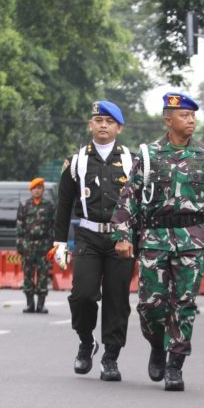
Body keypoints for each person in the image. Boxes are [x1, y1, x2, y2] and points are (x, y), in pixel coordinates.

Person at [112, 91, 204, 392]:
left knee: (185, 304)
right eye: (184, 116)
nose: (190, 120)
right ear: (168, 120)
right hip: (155, 238)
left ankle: (175, 364)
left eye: (193, 115)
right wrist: (123, 234)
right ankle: (157, 343)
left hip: (192, 238)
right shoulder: (150, 155)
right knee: (150, 306)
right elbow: (130, 196)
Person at [51, 100, 136, 382]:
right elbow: (64, 203)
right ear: (90, 124)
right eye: (98, 120)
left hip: (120, 238)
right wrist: (60, 242)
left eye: (109, 122)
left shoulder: (131, 161)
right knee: (83, 294)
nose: (103, 125)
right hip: (87, 236)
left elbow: (141, 204)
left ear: (119, 128)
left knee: (116, 299)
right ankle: (86, 341)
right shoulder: (76, 161)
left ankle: (111, 357)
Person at [16, 177, 55, 314]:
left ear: (43, 190)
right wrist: (20, 246)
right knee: (28, 274)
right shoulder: (25, 205)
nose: (37, 190)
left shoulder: (49, 206)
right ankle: (30, 304)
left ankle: (41, 304)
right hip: (28, 244)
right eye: (34, 188)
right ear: (31, 190)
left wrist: (53, 246)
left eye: (39, 188)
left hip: (44, 244)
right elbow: (20, 226)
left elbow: (53, 226)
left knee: (43, 274)